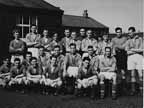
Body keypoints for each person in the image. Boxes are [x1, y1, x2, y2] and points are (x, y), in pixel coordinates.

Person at [125, 27, 143, 96]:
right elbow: (127, 51)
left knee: (140, 75)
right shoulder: (128, 40)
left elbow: (142, 49)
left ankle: (141, 89)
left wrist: (132, 49)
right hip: (130, 58)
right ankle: (133, 90)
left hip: (139, 57)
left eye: (130, 32)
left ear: (134, 32)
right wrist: (136, 50)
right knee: (132, 75)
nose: (129, 34)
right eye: (129, 32)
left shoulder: (140, 39)